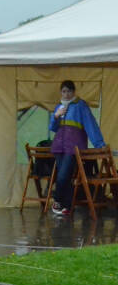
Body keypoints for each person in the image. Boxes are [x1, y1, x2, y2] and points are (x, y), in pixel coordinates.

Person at [49, 80, 106, 217]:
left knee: (63, 176)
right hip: (59, 146)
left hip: (73, 146)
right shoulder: (59, 106)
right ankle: (67, 207)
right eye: (64, 91)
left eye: (69, 91)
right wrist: (56, 116)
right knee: (66, 176)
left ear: (74, 92)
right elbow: (53, 128)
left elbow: (91, 124)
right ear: (61, 92)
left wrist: (99, 144)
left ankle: (57, 200)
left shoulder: (81, 105)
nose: (66, 94)